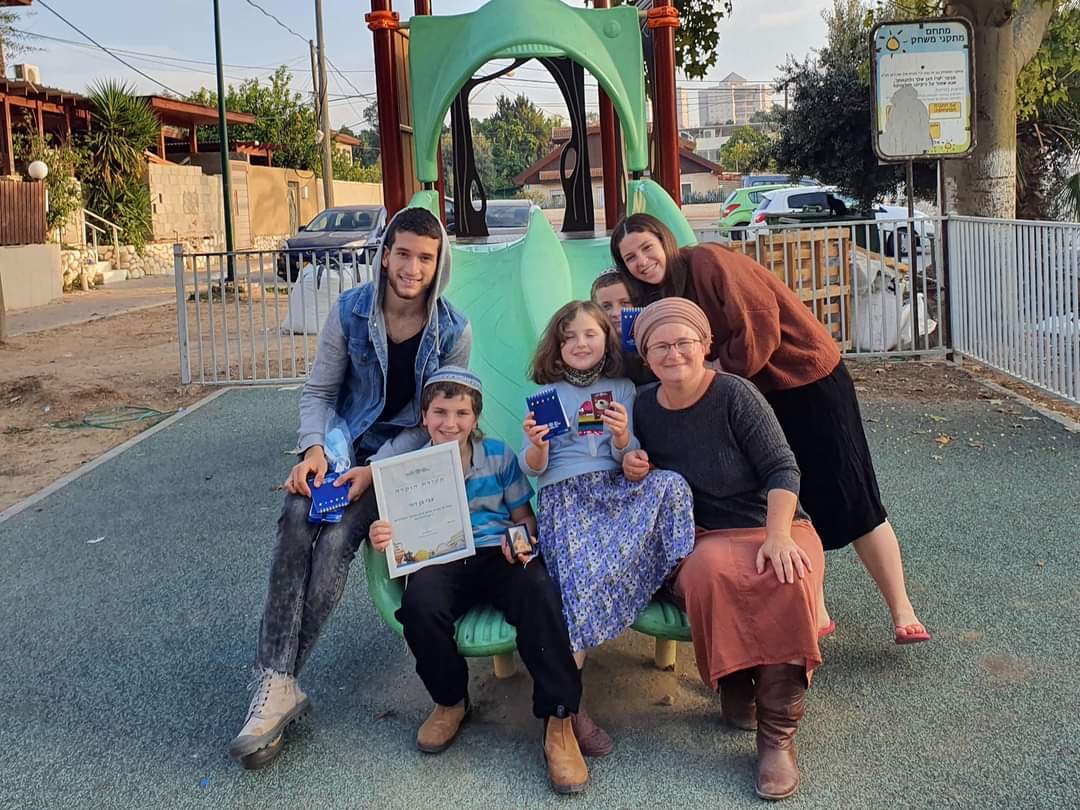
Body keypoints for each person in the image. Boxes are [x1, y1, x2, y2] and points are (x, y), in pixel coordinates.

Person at [610, 213, 929, 645]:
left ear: (665, 241)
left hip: (805, 381)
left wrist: (715, 371)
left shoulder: (707, 262)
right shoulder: (657, 299)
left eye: (647, 248)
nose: (642, 261)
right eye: (630, 258)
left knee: (851, 493)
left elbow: (759, 324)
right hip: (756, 392)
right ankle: (814, 606)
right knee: (786, 497)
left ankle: (901, 607)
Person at [228, 207, 472, 767]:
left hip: (397, 459)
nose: (412, 268)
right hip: (340, 445)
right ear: (385, 255)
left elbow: (432, 423)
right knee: (298, 515)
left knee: (337, 538)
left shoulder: (454, 330)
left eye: (425, 258)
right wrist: (313, 450)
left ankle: (277, 682)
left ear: (438, 265)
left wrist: (376, 471)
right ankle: (278, 683)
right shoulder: (350, 311)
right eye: (402, 253)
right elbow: (320, 392)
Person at [623, 298, 825, 801]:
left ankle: (777, 735)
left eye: (684, 342)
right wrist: (636, 465)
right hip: (701, 534)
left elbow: (783, 468)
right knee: (711, 571)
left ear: (704, 344)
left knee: (783, 574)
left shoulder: (736, 394)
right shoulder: (643, 406)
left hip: (772, 522)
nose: (674, 354)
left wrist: (777, 534)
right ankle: (736, 681)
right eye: (660, 346)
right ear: (645, 356)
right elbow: (640, 468)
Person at [367, 367, 590, 795]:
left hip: (496, 552)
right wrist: (383, 536)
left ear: (475, 417)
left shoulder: (498, 455)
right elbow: (395, 530)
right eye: (440, 412)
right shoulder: (406, 470)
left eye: (461, 413)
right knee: (419, 606)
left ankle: (559, 720)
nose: (450, 423)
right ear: (424, 415)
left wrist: (518, 539)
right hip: (441, 558)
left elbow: (524, 517)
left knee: (541, 593)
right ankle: (450, 701)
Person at [520, 300, 696, 754]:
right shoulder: (548, 394)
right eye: (569, 337)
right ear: (557, 347)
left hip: (613, 492)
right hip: (566, 497)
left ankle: (666, 579)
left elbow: (631, 458)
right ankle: (569, 706)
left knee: (671, 485)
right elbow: (534, 468)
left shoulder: (622, 389)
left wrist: (622, 438)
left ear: (606, 340)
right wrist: (538, 446)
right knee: (579, 581)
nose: (580, 344)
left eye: (590, 334)